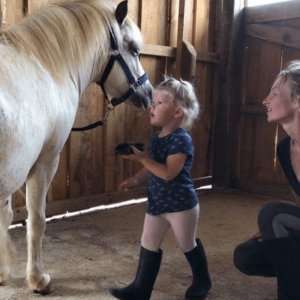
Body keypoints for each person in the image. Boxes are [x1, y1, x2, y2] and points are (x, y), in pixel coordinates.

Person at [109, 77, 212, 300]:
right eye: (153, 103)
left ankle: (202, 280)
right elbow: (152, 167)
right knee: (148, 243)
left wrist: (142, 160)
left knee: (186, 243)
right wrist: (136, 179)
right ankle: (140, 289)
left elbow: (168, 172)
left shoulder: (181, 140)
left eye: (159, 103)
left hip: (181, 206)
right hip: (157, 203)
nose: (152, 107)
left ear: (178, 112)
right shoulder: (156, 138)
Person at [233, 60, 300, 300]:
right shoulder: (285, 149)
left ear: (297, 100)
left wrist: (276, 221)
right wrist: (272, 230)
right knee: (246, 255)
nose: (265, 100)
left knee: (271, 214)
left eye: (274, 93)